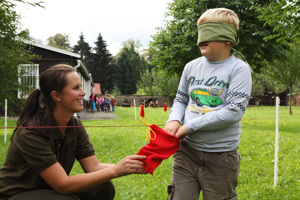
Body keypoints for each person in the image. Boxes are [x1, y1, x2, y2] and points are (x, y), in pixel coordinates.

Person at [0, 64, 147, 200]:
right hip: (15, 194)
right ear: (56, 96)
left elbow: (93, 167)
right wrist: (116, 170)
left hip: (47, 189)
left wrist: (133, 165)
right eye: (76, 88)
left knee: (103, 187)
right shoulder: (30, 133)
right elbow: (63, 185)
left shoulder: (74, 124)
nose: (83, 93)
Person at [163, 8, 252, 200]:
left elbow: (233, 111)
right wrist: (174, 120)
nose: (201, 38)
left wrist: (189, 127)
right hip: (185, 152)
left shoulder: (239, 69)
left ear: (228, 38)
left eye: (209, 32)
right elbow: (181, 99)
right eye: (200, 32)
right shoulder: (191, 67)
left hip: (221, 157)